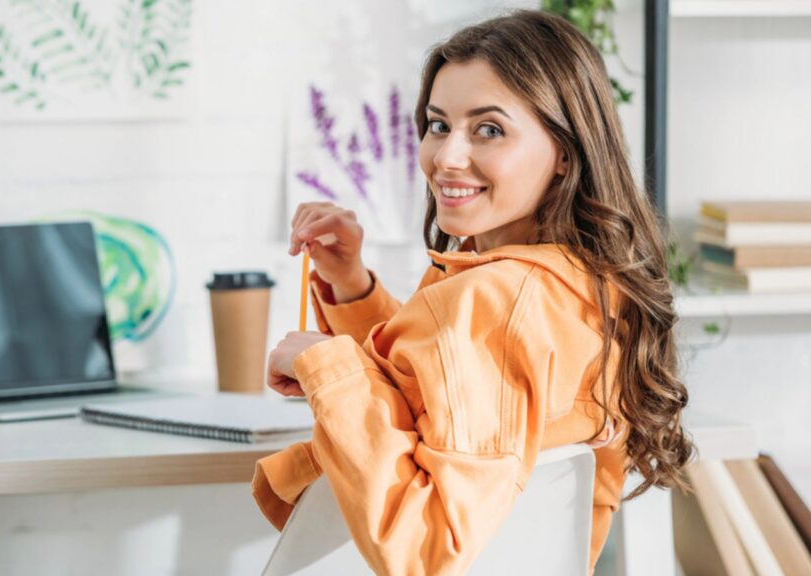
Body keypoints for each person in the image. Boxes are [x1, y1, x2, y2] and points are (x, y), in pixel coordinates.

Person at [252, 9, 693, 576]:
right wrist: (352, 285)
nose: (447, 157)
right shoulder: (584, 286)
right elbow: (433, 391)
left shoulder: (494, 300)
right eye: (439, 125)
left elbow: (428, 546)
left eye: (488, 129)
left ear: (564, 151)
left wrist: (327, 368)